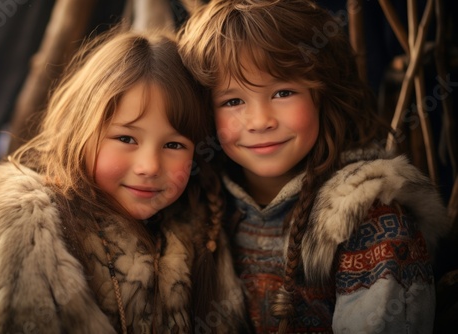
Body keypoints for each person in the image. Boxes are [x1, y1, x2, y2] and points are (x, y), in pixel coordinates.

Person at [178, 0, 451, 333]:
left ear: (323, 95)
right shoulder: (194, 208)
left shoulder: (370, 220)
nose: (260, 121)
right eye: (233, 101)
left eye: (283, 92)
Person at [0, 28, 247, 333]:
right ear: (80, 130)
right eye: (126, 138)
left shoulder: (203, 230)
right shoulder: (31, 230)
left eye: (174, 145)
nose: (149, 166)